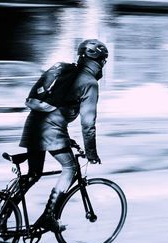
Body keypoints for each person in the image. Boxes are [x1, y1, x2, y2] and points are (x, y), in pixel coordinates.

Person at [17, 39, 108, 232]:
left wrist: (68, 139)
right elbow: (88, 123)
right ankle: (48, 217)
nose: (103, 65)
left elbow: (56, 112)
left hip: (33, 124)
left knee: (33, 174)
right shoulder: (90, 83)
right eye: (103, 61)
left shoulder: (67, 71)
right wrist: (91, 153)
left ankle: (0, 216)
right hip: (51, 131)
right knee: (71, 168)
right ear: (98, 60)